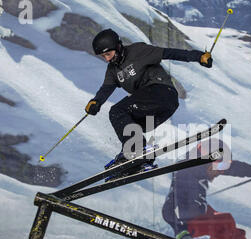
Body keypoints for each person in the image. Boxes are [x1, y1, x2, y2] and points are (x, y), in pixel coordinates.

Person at [85, 28, 213, 170]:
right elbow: (106, 88)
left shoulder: (138, 51)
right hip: (157, 109)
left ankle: (135, 151)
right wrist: (96, 101)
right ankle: (141, 162)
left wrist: (199, 56)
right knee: (129, 124)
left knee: (117, 111)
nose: (107, 59)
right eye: (104, 56)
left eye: (108, 54)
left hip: (162, 92)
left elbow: (169, 53)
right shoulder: (112, 70)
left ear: (118, 46)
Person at [162, 138, 251, 239]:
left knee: (231, 229)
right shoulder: (185, 173)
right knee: (224, 221)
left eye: (224, 167)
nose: (221, 172)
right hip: (183, 220)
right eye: (220, 167)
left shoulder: (205, 168)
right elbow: (176, 207)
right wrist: (181, 232)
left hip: (196, 212)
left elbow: (235, 168)